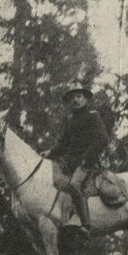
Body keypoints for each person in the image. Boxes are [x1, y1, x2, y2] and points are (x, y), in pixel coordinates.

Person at [48, 86, 110, 238]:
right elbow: (63, 143)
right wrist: (49, 154)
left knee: (74, 184)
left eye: (79, 96)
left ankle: (86, 226)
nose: (76, 100)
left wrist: (87, 158)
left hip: (88, 162)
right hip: (70, 162)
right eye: (72, 98)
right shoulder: (70, 120)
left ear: (86, 99)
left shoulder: (93, 115)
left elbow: (103, 139)